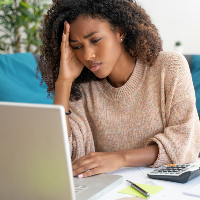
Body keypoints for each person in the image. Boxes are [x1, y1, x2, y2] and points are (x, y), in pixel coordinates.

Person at [37, 0, 200, 178]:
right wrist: (64, 82)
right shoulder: (82, 89)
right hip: (110, 190)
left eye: (95, 40)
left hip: (167, 189)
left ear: (120, 31)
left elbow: (185, 143)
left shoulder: (169, 67)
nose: (87, 55)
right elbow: (60, 154)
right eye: (77, 46)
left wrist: (120, 158)